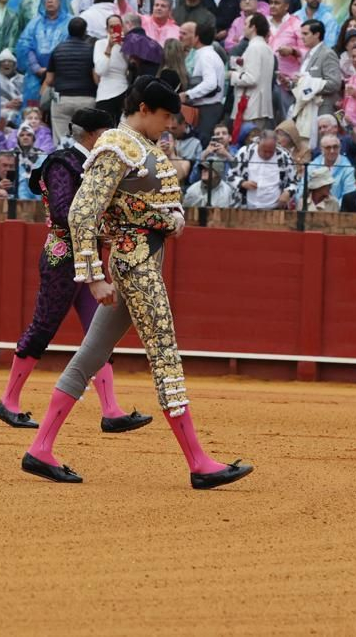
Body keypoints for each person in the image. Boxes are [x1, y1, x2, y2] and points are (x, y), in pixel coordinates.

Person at [20, 76, 252, 490]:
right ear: (143, 109)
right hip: (136, 263)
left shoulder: (137, 146)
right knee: (165, 356)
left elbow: (135, 205)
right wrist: (91, 278)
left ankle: (40, 448)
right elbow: (81, 212)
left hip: (138, 257)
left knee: (90, 356)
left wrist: (167, 219)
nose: (169, 125)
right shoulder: (117, 144)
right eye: (165, 116)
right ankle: (199, 462)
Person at [0, 106, 151, 434]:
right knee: (44, 327)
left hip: (88, 257)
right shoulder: (63, 163)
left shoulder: (88, 165)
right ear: (95, 135)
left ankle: (111, 410)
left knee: (99, 335)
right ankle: (8, 401)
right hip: (63, 258)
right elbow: (66, 212)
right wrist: (100, 226)